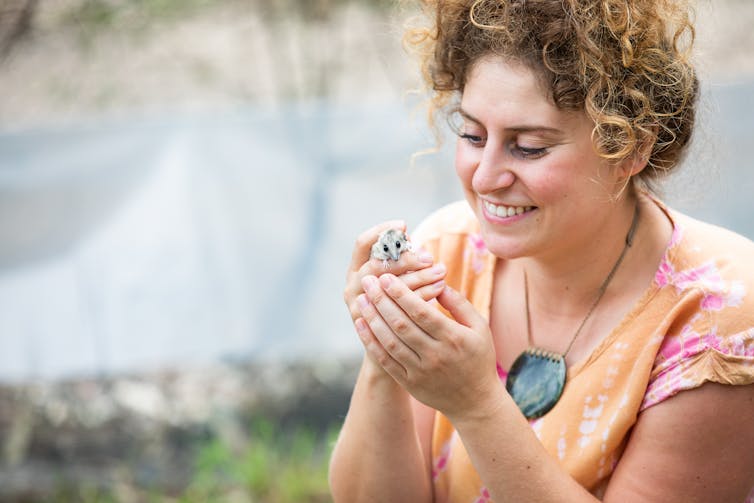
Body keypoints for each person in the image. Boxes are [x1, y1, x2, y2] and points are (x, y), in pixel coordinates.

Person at [329, 0, 754, 500]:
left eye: (528, 147)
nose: (485, 177)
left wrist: (478, 405)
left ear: (633, 148)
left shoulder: (719, 318)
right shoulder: (447, 251)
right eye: (472, 134)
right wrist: (387, 351)